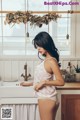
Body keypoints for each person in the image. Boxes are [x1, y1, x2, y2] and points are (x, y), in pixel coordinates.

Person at [20, 31, 65, 120]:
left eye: (40, 46)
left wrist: (44, 83)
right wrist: (29, 83)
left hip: (46, 99)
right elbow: (43, 78)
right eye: (37, 46)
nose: (38, 48)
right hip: (48, 98)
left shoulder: (51, 61)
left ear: (46, 44)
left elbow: (61, 82)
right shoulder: (48, 60)